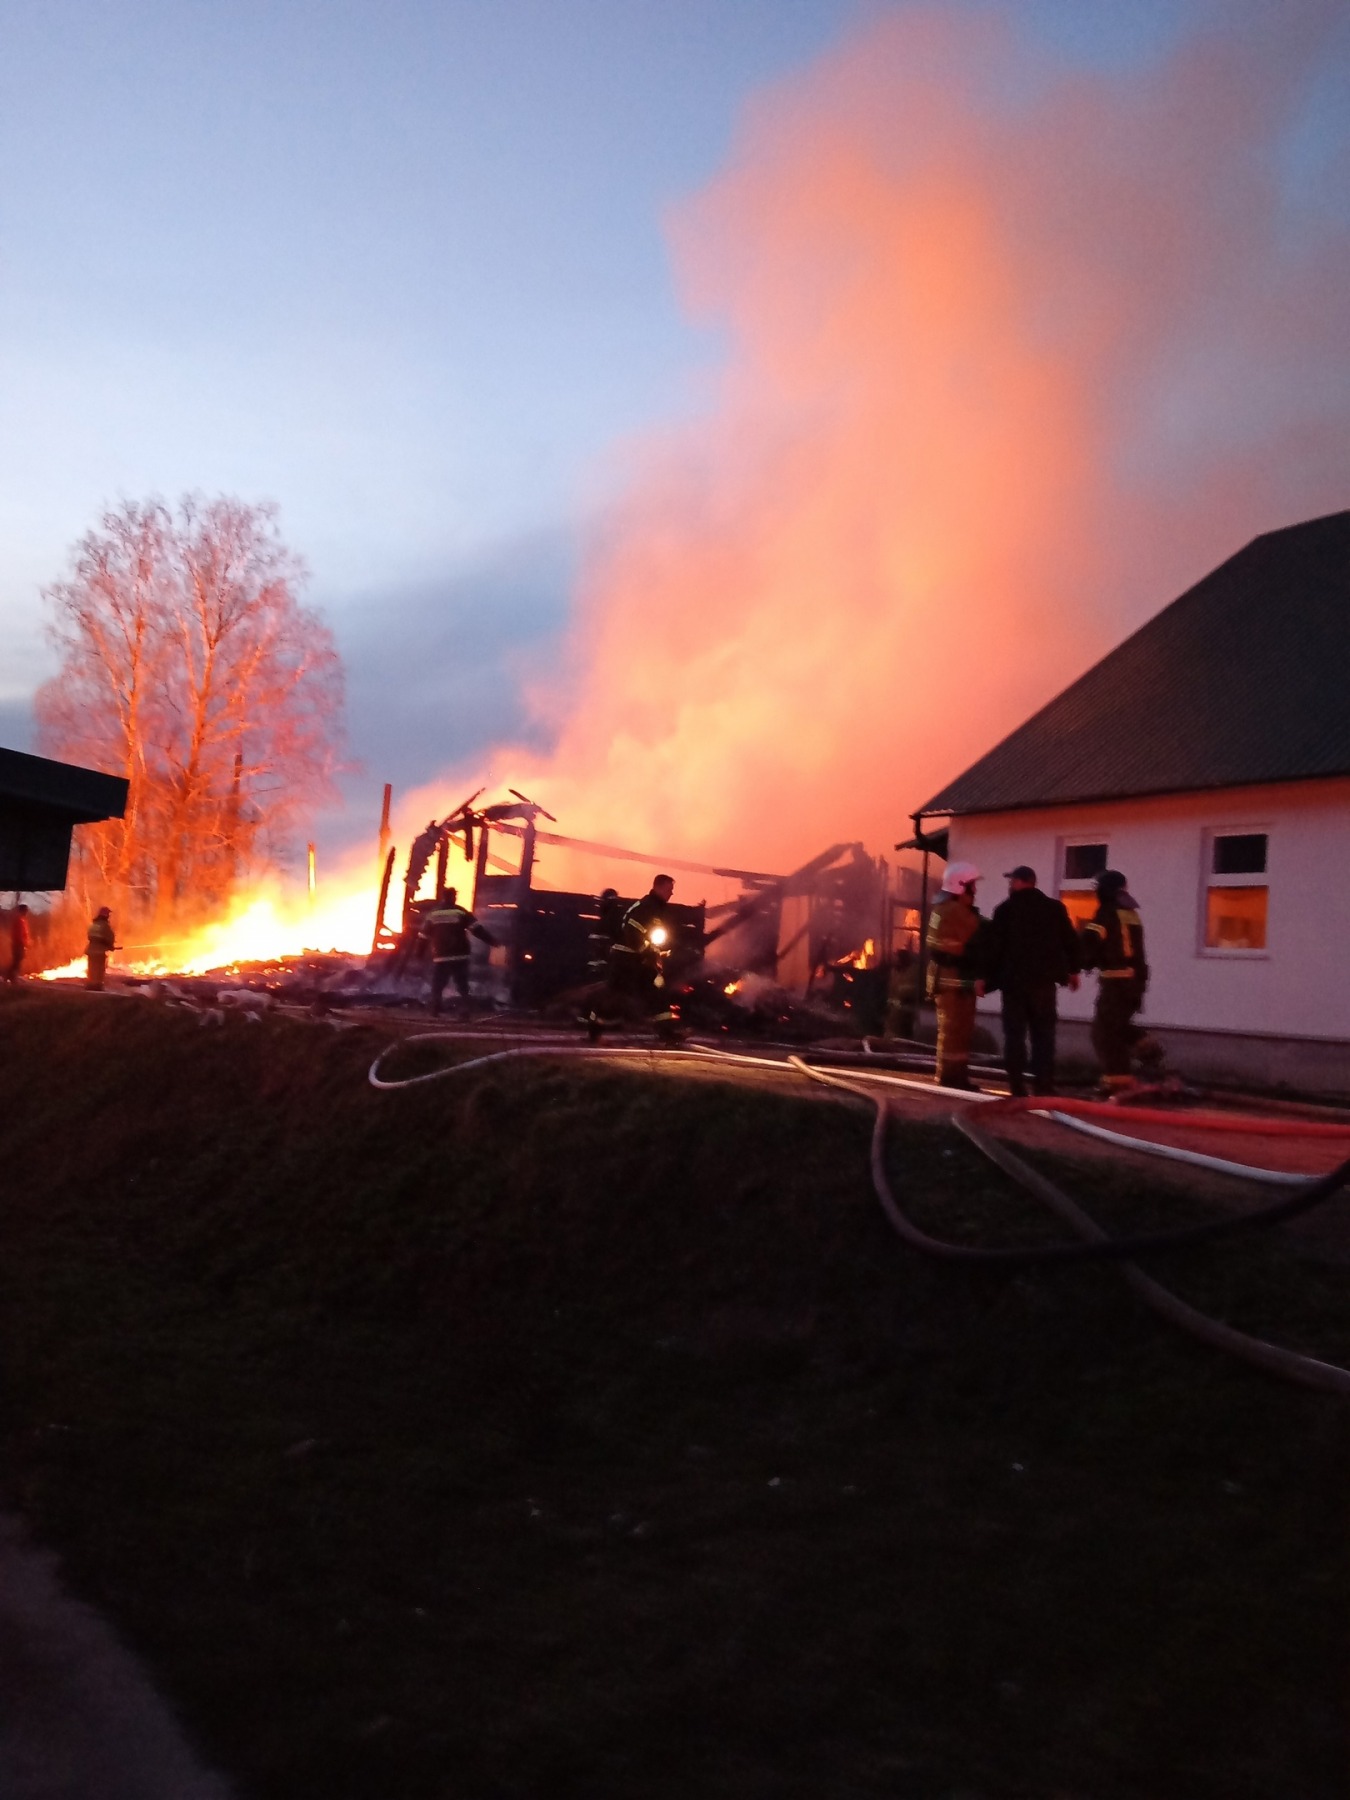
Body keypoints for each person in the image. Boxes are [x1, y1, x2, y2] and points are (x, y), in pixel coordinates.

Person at [980, 865, 1081, 1097]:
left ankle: (1017, 1087)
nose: (1009, 885)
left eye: (1011, 881)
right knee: (1044, 1036)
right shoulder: (1055, 909)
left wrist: (984, 978)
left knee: (1015, 1036)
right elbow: (1071, 942)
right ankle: (1044, 1086)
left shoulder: (1005, 910)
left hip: (1014, 985)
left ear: (1018, 882)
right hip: (1044, 985)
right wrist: (1073, 971)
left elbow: (993, 949)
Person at [1077, 869, 1164, 1094]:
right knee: (1117, 1026)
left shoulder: (1107, 913)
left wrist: (1075, 960)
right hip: (1134, 983)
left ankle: (1117, 1083)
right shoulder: (1131, 913)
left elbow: (1091, 943)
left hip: (1115, 983)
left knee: (1103, 1033)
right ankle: (1146, 1046)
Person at [590, 874, 682, 1042]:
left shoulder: (656, 909)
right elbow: (631, 931)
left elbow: (652, 936)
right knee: (613, 996)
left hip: (639, 961)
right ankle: (594, 1030)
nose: (671, 893)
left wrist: (657, 953)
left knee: (658, 991)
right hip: (625, 961)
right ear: (659, 887)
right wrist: (645, 952)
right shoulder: (645, 907)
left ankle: (667, 1033)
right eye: (669, 889)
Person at [925, 861, 985, 1090]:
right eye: (972, 886)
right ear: (960, 886)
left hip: (951, 979)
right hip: (952, 980)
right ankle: (950, 1078)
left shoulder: (943, 908)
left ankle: (954, 1076)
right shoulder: (955, 911)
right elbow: (981, 934)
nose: (975, 891)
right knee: (954, 1033)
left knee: (956, 1032)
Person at [419, 887, 497, 1016]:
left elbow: (423, 935)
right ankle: (465, 1009)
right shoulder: (460, 912)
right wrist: (492, 941)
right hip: (459, 953)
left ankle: (435, 1008)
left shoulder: (433, 914)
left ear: (443, 897)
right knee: (462, 983)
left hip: (441, 954)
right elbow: (477, 929)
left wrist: (419, 953)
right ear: (454, 897)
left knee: (438, 983)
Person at [86, 906, 116, 990]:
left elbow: (90, 936)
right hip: (99, 951)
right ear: (106, 915)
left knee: (92, 968)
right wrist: (110, 946)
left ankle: (90, 984)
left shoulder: (94, 924)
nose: (109, 916)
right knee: (99, 969)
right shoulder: (105, 926)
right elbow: (109, 937)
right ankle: (97, 985)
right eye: (108, 914)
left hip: (91, 950)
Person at [8, 903, 30, 983]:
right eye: (26, 911)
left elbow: (24, 933)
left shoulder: (21, 920)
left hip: (19, 944)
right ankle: (12, 977)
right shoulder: (19, 920)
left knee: (17, 961)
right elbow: (19, 934)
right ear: (22, 911)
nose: (27, 913)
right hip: (18, 944)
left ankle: (11, 976)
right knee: (17, 961)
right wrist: (24, 943)